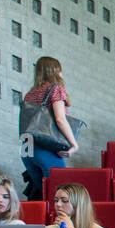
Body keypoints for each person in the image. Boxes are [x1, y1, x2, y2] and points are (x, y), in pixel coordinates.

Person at [20, 56, 78, 200]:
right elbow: (60, 119)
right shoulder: (56, 89)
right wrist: (73, 144)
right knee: (61, 194)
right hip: (45, 147)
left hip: (26, 148)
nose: (61, 74)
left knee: (43, 196)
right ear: (55, 71)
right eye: (60, 71)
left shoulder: (30, 94)